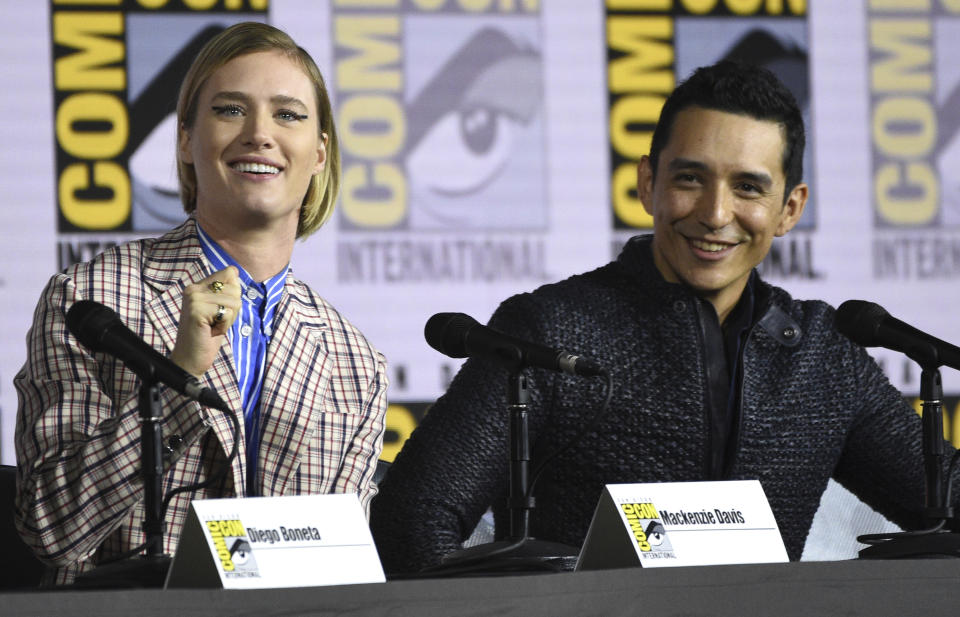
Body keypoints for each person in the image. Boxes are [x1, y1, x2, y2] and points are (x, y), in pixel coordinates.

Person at [370, 61, 958, 574]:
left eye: (749, 187)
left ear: (789, 209)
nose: (716, 213)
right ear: (648, 182)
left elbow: (948, 500)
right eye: (690, 179)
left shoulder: (823, 356)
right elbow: (413, 520)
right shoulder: (547, 329)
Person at [14, 22, 387, 585]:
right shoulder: (91, 299)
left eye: (288, 115)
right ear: (186, 140)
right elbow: (52, 527)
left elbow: (338, 572)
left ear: (318, 154)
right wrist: (181, 376)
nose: (260, 134)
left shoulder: (355, 361)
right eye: (231, 110)